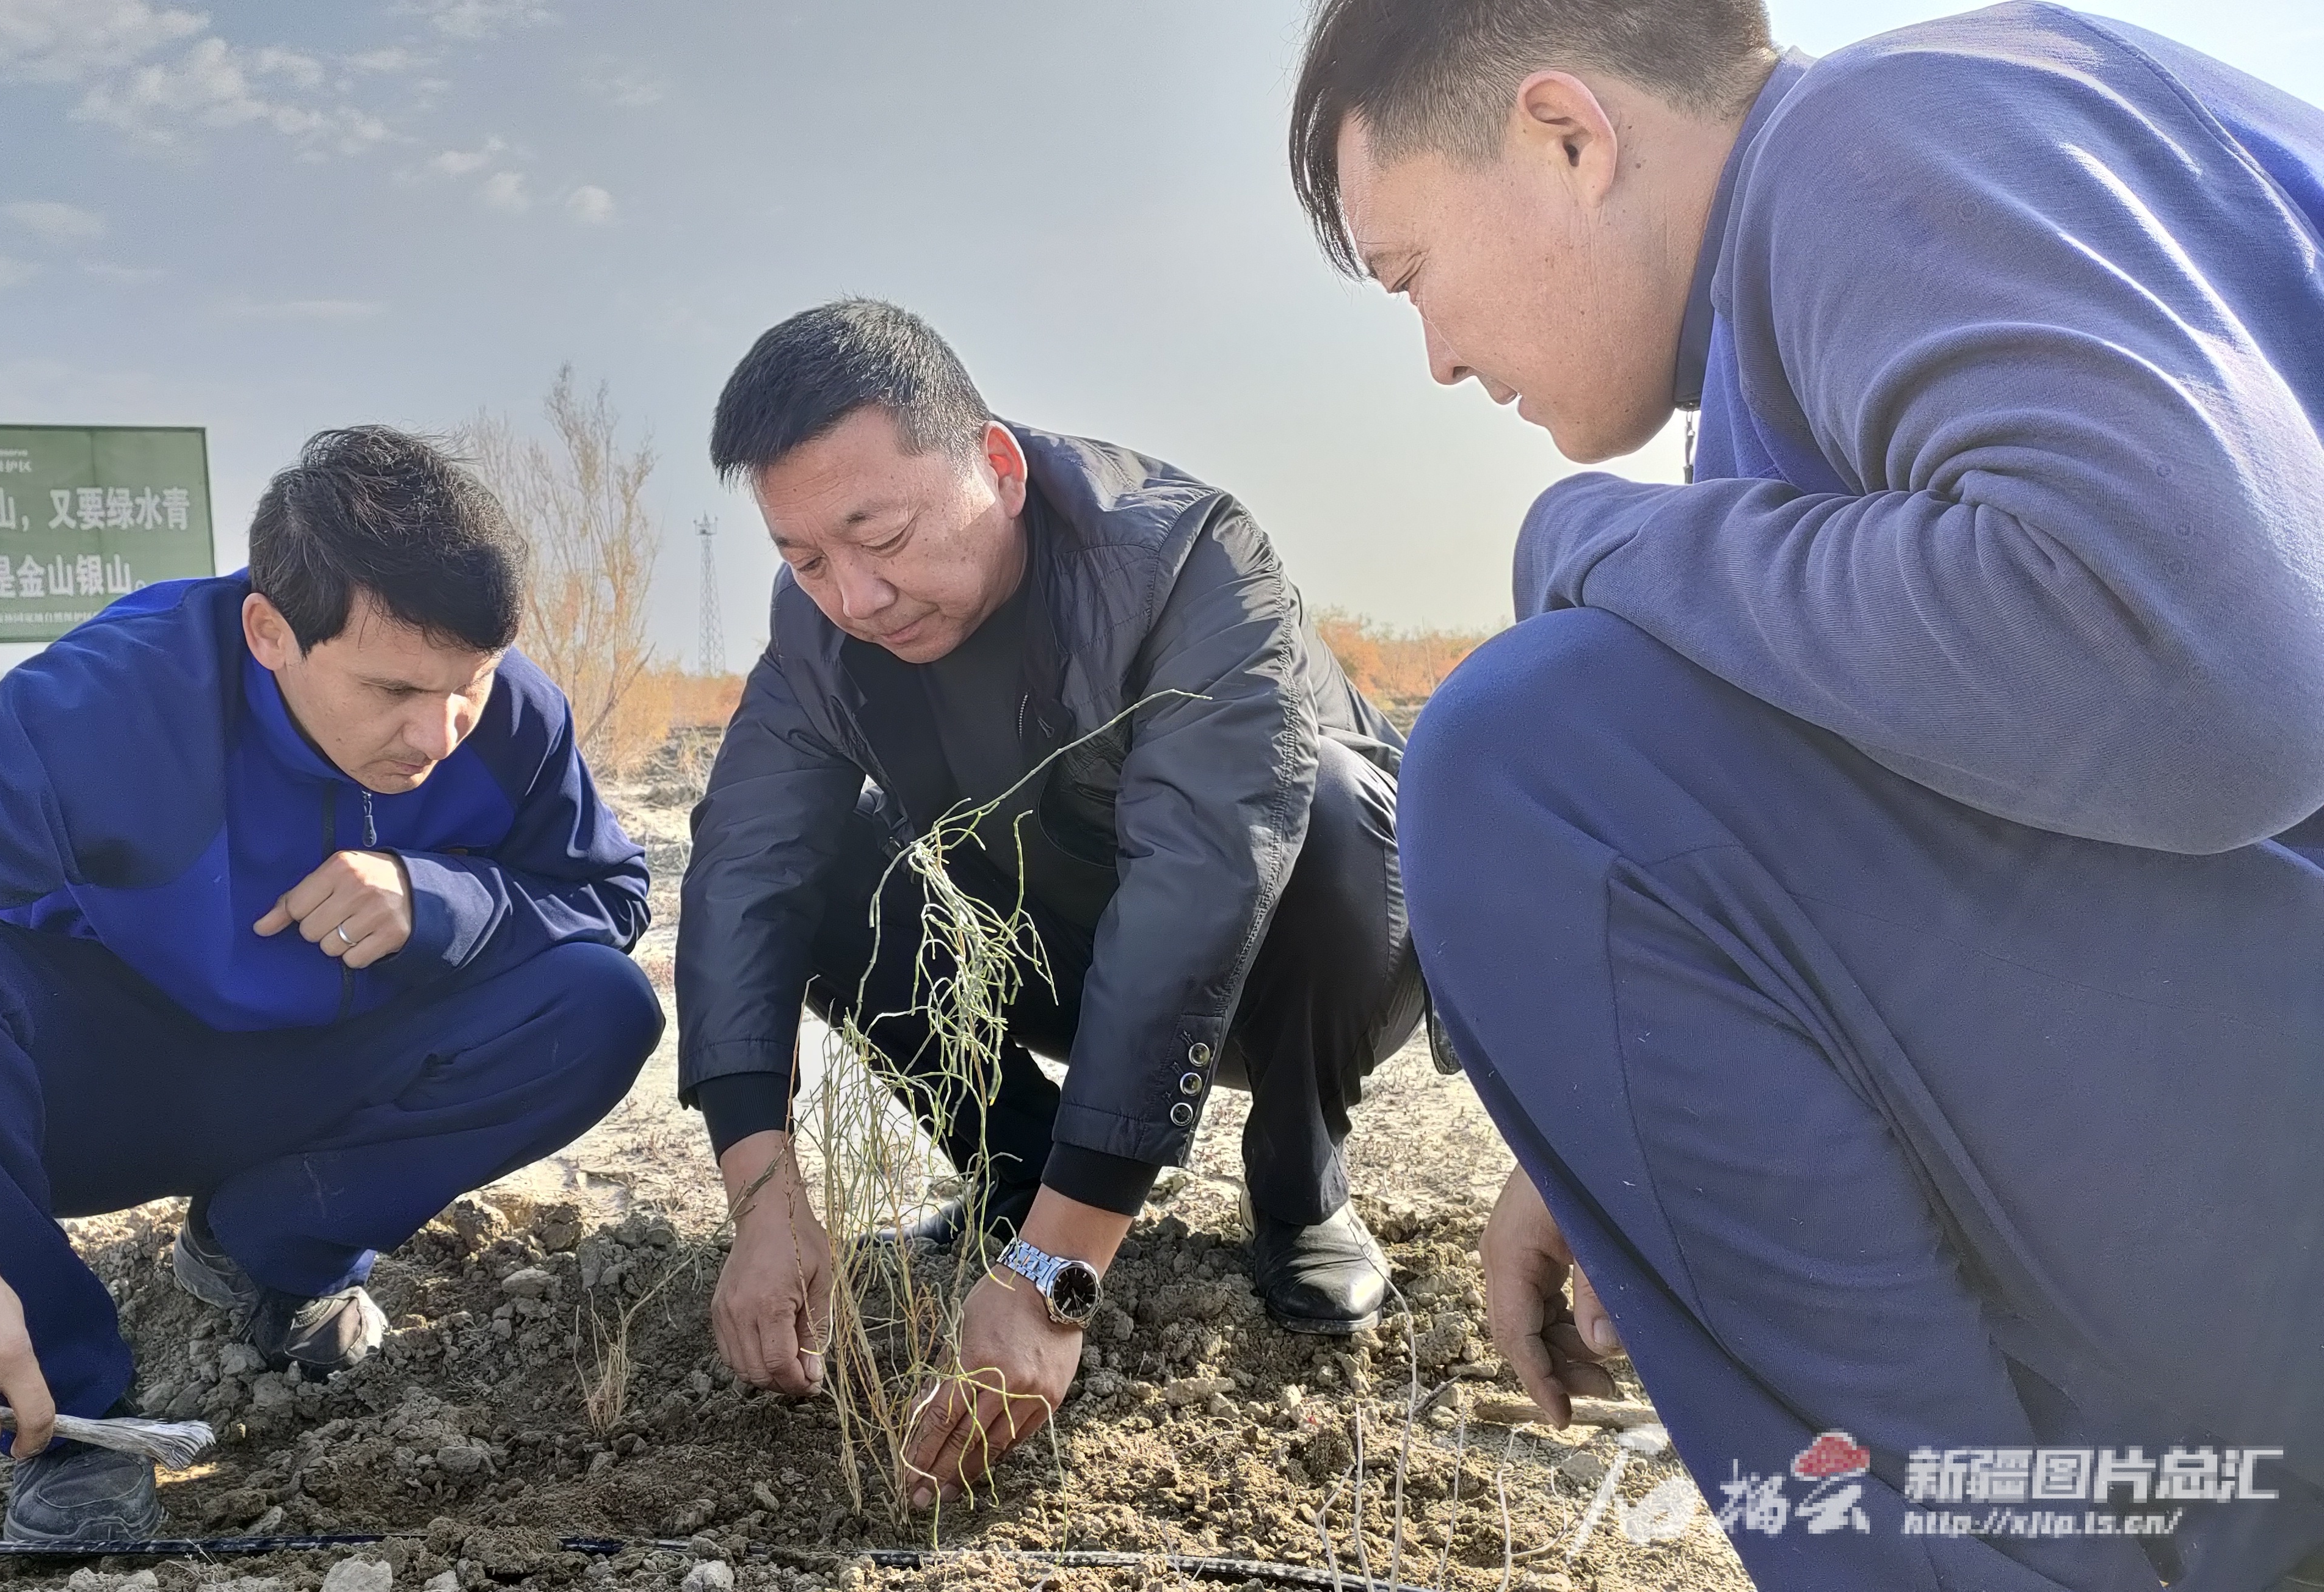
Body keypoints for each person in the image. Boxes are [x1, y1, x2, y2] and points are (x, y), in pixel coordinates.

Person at [1288, 1, 2324, 1587]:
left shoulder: (1865, 148)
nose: (1436, 360)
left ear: (1569, 136)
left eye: (1414, 272)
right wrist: (1598, 1138)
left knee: (1526, 757)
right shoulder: (1938, 186)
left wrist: (1588, 539)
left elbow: (2192, 660)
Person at [0, 427, 663, 1543]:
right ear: (268, 632)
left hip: (332, 1073)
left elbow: (606, 896)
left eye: (469, 687)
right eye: (392, 688)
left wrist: (438, 898)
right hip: (111, 1086)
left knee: (599, 1004)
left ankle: (268, 1252)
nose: (435, 732)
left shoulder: (509, 719)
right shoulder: (112, 703)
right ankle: (72, 1420)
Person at [675, 298, 1430, 1507]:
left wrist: (1050, 1284)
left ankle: (1295, 1181)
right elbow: (742, 865)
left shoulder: (1184, 557)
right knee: (819, 868)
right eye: (803, 557)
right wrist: (761, 1196)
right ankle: (1017, 1173)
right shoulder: (818, 630)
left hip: (1308, 950)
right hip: (1056, 953)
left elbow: (1201, 881)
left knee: (1334, 807)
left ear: (998, 467)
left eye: (880, 532)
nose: (854, 597)